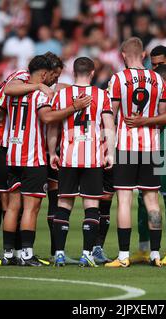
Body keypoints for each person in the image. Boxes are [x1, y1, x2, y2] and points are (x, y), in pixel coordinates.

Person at [0, 54, 92, 266]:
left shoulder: (15, 93)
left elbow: (3, 95)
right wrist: (74, 108)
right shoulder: (41, 94)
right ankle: (26, 254)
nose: (53, 80)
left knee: (13, 207)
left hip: (12, 154)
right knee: (31, 208)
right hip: (33, 157)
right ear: (43, 74)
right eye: (52, 76)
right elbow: (47, 117)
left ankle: (7, 255)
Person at [104, 37, 166, 268]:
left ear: (123, 55)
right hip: (152, 146)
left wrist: (109, 146)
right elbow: (164, 115)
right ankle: (156, 254)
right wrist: (148, 122)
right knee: (153, 202)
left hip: (125, 146)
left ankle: (124, 255)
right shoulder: (158, 78)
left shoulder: (118, 78)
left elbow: (111, 115)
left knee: (124, 201)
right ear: (144, 55)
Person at [49, 57, 115, 267]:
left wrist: (52, 152)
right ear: (93, 73)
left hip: (68, 156)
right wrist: (110, 153)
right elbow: (109, 127)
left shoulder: (62, 95)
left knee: (64, 204)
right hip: (93, 158)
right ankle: (87, 253)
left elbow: (53, 126)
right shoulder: (101, 95)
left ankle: (59, 253)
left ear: (73, 72)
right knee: (92, 205)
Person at [132, 45, 166, 266]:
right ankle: (144, 249)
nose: (156, 67)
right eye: (153, 64)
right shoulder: (148, 82)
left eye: (160, 64)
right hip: (144, 144)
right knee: (142, 200)